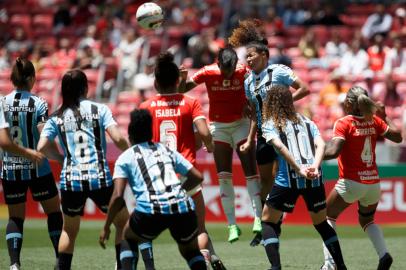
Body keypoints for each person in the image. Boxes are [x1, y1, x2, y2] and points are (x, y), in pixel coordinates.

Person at [140, 52, 226, 269]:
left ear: (156, 83)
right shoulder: (190, 103)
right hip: (187, 176)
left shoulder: (145, 106)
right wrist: (209, 144)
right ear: (177, 80)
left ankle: (149, 265)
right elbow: (205, 133)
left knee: (142, 229)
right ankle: (206, 258)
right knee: (200, 229)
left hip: (157, 176)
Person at [37, 69, 130, 270]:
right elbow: (119, 138)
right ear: (86, 88)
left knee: (69, 231)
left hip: (71, 180)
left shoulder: (57, 116)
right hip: (100, 178)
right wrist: (132, 152)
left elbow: (41, 147)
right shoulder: (99, 109)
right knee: (123, 222)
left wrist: (61, 158)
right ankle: (122, 266)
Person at [228, 19, 309, 244]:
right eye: (247, 57)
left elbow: (305, 88)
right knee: (265, 182)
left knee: (281, 178)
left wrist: (283, 103)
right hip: (264, 134)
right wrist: (250, 138)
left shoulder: (280, 71)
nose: (248, 60)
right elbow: (254, 113)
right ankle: (269, 226)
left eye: (251, 56)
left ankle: (275, 224)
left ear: (264, 55)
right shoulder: (248, 83)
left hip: (284, 132)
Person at [99, 109, 207, 270]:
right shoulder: (166, 150)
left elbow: (117, 196)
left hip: (151, 211)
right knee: (190, 251)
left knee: (128, 237)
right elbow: (197, 177)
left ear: (130, 135)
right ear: (151, 132)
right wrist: (177, 192)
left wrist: (106, 226)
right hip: (183, 207)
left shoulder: (126, 157)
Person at [179, 47, 262, 245]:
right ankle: (232, 225)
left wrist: (250, 103)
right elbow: (182, 89)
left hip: (241, 125)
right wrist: (183, 78)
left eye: (231, 69)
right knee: (224, 177)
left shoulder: (243, 71)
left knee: (251, 172)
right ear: (218, 64)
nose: (229, 73)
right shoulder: (208, 71)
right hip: (219, 128)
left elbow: (257, 89)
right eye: (226, 69)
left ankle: (258, 218)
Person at [261, 84, 347, 270]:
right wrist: (314, 167)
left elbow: (281, 148)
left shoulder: (269, 123)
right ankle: (341, 266)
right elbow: (321, 146)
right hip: (314, 178)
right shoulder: (307, 121)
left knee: (268, 220)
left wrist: (299, 169)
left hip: (289, 179)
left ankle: (275, 267)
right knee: (322, 224)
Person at [321, 86, 402, 270]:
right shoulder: (374, 121)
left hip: (351, 181)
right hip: (373, 183)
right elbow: (398, 138)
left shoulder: (344, 123)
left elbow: (333, 152)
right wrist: (384, 115)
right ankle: (384, 254)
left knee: (326, 216)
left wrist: (314, 155)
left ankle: (330, 264)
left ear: (349, 104)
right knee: (367, 221)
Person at [1, 58, 58, 270]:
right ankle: (60, 260)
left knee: (16, 217)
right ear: (32, 78)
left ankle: (14, 264)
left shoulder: (2, 103)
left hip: (11, 169)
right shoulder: (39, 103)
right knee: (53, 212)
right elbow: (46, 137)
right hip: (38, 167)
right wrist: (60, 157)